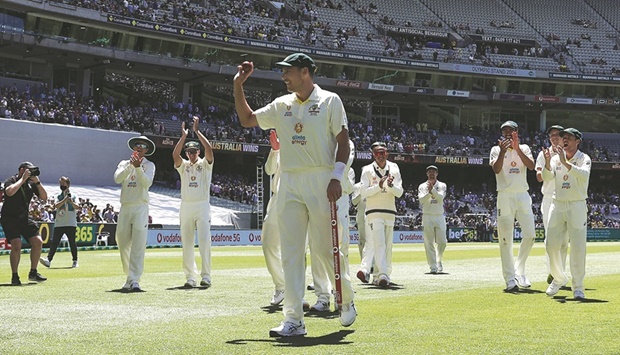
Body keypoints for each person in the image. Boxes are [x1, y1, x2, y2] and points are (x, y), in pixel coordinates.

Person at [233, 52, 356, 337]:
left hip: (321, 178)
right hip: (288, 180)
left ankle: (346, 299)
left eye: (288, 71)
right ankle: (293, 320)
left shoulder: (329, 101)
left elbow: (344, 143)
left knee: (327, 250)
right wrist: (239, 85)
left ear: (305, 72)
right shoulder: (281, 104)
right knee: (291, 252)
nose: (283, 77)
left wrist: (336, 177)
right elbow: (247, 119)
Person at [542, 128, 591, 299]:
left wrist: (565, 162)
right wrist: (548, 164)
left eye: (569, 137)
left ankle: (578, 287)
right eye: (563, 137)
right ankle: (559, 278)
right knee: (550, 245)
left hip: (577, 205)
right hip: (558, 204)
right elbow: (547, 178)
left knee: (578, 248)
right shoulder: (556, 158)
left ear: (577, 141)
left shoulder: (584, 158)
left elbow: (584, 175)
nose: (564, 140)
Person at [489, 121, 536, 291]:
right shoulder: (496, 149)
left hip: (522, 195)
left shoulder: (524, 148)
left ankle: (519, 270)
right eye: (505, 131)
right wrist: (502, 151)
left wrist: (516, 149)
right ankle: (509, 278)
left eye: (511, 130)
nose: (508, 133)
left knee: (530, 235)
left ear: (517, 131)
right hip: (504, 196)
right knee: (505, 239)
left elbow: (531, 166)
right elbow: (496, 169)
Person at [309, 139, 355, 312]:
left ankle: (341, 294)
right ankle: (322, 296)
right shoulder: (316, 130)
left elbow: (343, 161)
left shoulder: (346, 142)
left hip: (338, 194)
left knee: (339, 246)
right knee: (315, 246)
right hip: (316, 193)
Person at [173, 117, 214, 288]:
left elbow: (209, 149)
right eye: (189, 152)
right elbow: (175, 155)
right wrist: (183, 137)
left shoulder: (205, 165)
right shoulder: (184, 165)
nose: (191, 154)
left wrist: (197, 132)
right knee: (187, 243)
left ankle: (206, 276)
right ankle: (190, 277)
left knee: (204, 241)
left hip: (202, 205)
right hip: (186, 206)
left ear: (198, 152)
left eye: (194, 151)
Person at [356, 141, 403, 287]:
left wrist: (390, 186)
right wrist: (379, 186)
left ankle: (381, 275)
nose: (380, 156)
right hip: (373, 212)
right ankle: (382, 274)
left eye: (382, 153)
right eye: (377, 153)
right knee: (379, 243)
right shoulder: (367, 170)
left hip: (390, 211)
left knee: (387, 245)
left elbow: (400, 192)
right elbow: (364, 192)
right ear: (373, 154)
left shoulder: (394, 168)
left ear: (387, 153)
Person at [114, 136, 156, 291]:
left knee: (138, 244)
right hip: (125, 206)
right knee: (122, 241)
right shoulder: (123, 163)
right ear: (134, 148)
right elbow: (117, 179)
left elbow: (147, 183)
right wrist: (130, 166)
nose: (139, 147)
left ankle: (134, 279)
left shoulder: (149, 165)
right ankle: (129, 275)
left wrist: (138, 167)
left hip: (140, 206)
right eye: (137, 145)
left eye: (143, 146)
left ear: (146, 151)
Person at [0, 162, 48, 285]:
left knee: (38, 241)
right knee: (16, 245)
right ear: (22, 170)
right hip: (9, 218)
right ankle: (15, 276)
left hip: (24, 218)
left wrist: (37, 182)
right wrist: (22, 179)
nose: (31, 173)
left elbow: (44, 197)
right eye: (29, 170)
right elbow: (9, 192)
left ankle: (33, 272)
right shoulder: (11, 180)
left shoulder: (31, 184)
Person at [535, 125, 567, 284]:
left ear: (563, 137)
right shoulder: (543, 153)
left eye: (557, 135)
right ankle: (552, 272)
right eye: (551, 135)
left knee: (564, 239)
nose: (554, 137)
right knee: (550, 238)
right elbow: (539, 177)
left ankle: (560, 273)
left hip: (566, 198)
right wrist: (548, 165)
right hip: (549, 198)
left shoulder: (569, 154)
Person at [261, 129, 286, 305]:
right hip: (279, 199)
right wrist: (275, 149)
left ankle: (296, 294)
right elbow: (269, 169)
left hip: (300, 197)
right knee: (268, 243)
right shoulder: (279, 149)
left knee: (298, 250)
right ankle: (281, 286)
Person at [40, 176, 79, 268]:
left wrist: (71, 202)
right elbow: (56, 205)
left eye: (63, 184)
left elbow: (77, 207)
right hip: (59, 223)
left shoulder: (74, 195)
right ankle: (48, 260)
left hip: (71, 223)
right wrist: (65, 200)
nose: (62, 185)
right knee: (55, 242)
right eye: (60, 184)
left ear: (68, 185)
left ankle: (75, 260)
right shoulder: (58, 195)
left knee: (72, 242)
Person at [418, 165, 447, 274]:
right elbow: (422, 200)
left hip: (439, 215)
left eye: (433, 171)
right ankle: (433, 267)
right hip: (427, 216)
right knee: (428, 242)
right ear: (426, 174)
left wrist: (433, 191)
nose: (431, 173)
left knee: (442, 242)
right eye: (429, 171)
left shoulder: (442, 185)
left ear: (437, 173)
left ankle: (438, 260)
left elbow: (440, 198)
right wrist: (430, 192)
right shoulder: (422, 186)